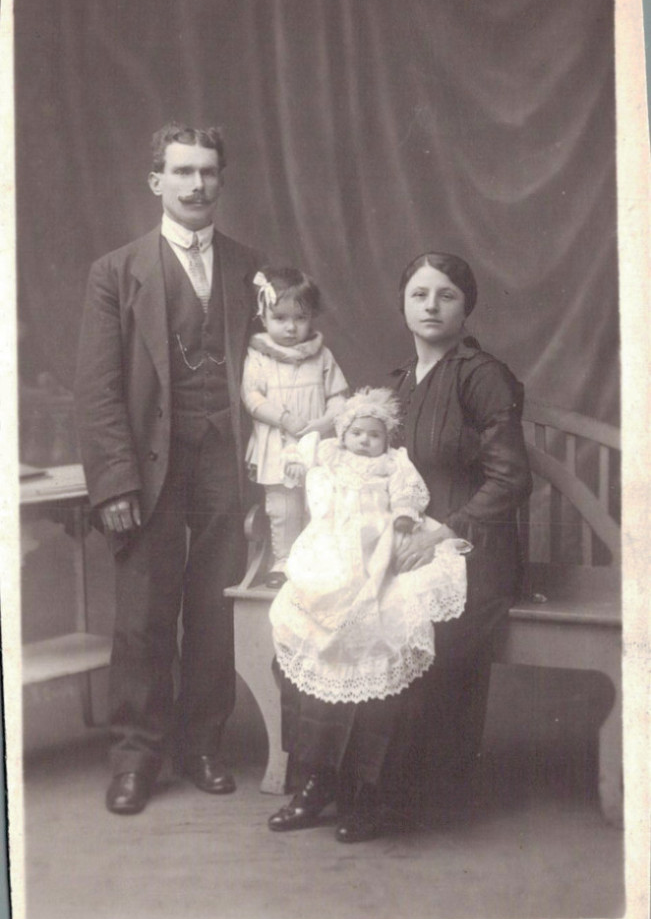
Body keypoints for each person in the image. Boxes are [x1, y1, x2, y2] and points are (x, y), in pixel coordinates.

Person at [74, 122, 265, 815]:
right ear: (155, 181)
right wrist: (114, 482)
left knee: (216, 606)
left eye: (207, 172)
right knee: (144, 613)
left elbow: (279, 369)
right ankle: (135, 756)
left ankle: (202, 745)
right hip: (149, 467)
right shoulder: (117, 272)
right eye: (181, 172)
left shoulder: (252, 268)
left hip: (225, 461)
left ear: (221, 181)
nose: (195, 185)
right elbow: (96, 390)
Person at [266, 388, 470, 843]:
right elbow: (306, 452)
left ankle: (368, 791)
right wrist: (316, 443)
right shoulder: (336, 454)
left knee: (383, 638)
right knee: (309, 633)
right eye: (356, 433)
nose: (363, 441)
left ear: (385, 436)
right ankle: (317, 782)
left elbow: (409, 495)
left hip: (384, 552)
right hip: (334, 554)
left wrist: (402, 521)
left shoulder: (396, 461)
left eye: (372, 434)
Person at [387, 251, 533, 817]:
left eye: (445, 295)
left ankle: (416, 794)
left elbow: (510, 480)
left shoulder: (481, 376)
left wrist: (443, 533)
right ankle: (336, 781)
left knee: (421, 621)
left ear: (466, 306)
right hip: (415, 540)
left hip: (476, 548)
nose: (431, 305)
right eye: (419, 294)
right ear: (403, 304)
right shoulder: (399, 381)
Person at [241, 266, 348, 587]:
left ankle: (315, 559)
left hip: (316, 444)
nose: (290, 328)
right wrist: (285, 419)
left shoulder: (321, 356)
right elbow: (252, 397)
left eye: (300, 319)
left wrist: (321, 423)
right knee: (283, 507)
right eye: (280, 318)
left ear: (312, 317)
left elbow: (340, 397)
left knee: (317, 502)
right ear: (263, 317)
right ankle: (283, 560)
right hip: (279, 444)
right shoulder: (259, 357)